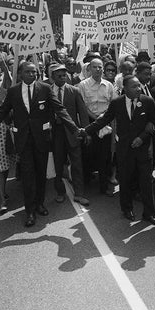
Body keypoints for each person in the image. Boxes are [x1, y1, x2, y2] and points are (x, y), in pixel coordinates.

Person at [0, 62, 79, 227]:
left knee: (41, 173)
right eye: (28, 72)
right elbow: (2, 112)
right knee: (27, 175)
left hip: (42, 139)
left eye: (34, 72)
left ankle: (39, 203)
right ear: (20, 74)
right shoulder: (13, 91)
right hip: (23, 140)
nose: (32, 74)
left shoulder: (45, 89)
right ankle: (30, 211)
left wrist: (74, 128)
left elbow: (60, 109)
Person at [79, 75, 155, 225]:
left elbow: (154, 121)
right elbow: (104, 119)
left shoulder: (148, 101)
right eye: (134, 86)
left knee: (146, 183)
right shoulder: (117, 103)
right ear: (125, 89)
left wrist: (142, 137)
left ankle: (149, 213)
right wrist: (86, 130)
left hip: (143, 150)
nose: (138, 89)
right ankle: (127, 209)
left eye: (139, 86)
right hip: (124, 150)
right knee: (125, 181)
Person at [49, 62, 90, 206]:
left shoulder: (74, 90)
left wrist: (86, 131)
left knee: (77, 164)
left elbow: (83, 113)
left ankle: (79, 194)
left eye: (64, 75)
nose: (63, 78)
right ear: (52, 77)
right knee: (58, 164)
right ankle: (60, 192)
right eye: (59, 76)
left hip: (73, 133)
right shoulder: (47, 91)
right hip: (56, 133)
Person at [77, 58, 116, 196]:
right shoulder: (82, 85)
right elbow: (82, 106)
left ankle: (103, 186)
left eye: (100, 67)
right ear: (89, 69)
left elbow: (113, 104)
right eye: (95, 67)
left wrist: (104, 118)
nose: (98, 70)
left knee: (104, 156)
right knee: (88, 153)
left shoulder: (109, 85)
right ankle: (86, 181)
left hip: (106, 123)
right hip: (89, 123)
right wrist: (95, 119)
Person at [0, 64, 13, 214]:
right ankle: (2, 199)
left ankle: (3, 187)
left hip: (5, 133)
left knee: (5, 166)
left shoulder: (4, 92)